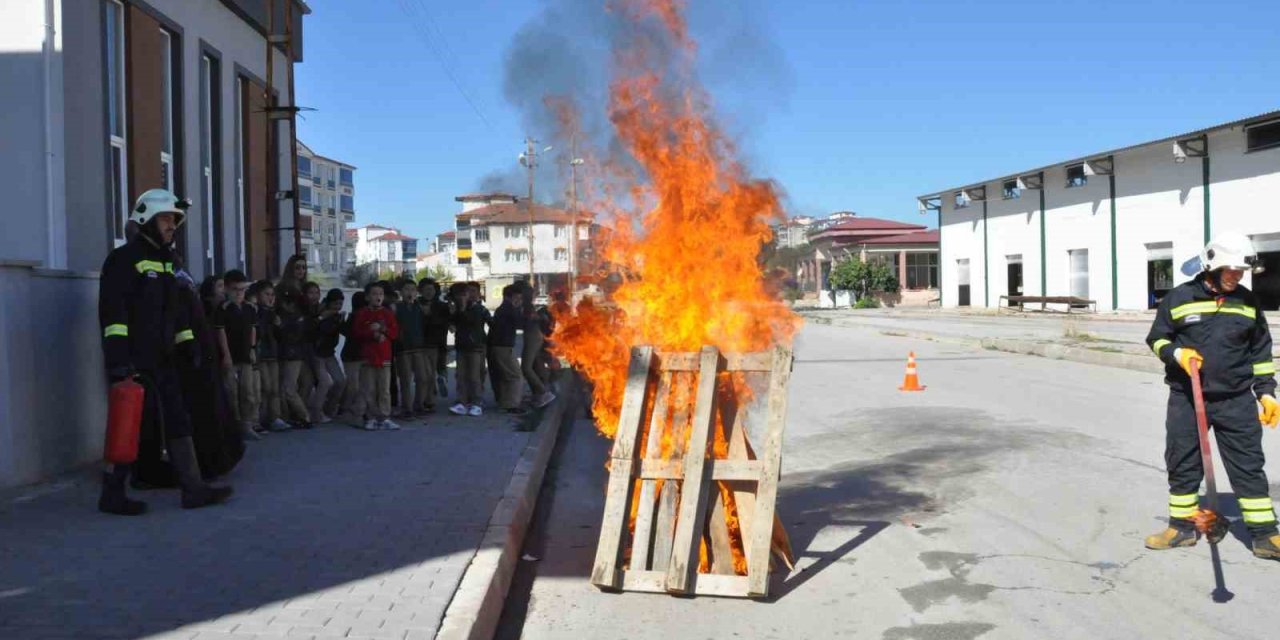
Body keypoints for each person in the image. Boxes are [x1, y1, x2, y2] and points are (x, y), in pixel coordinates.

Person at [1144, 231, 1280, 559]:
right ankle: (1182, 527)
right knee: (1183, 460)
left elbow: (1260, 352)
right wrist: (1177, 354)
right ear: (1211, 268)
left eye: (1241, 271)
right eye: (1230, 270)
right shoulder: (1179, 298)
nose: (1237, 276)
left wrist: (1267, 394)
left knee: (1248, 464)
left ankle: (1265, 535)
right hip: (1188, 398)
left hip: (1236, 399)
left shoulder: (1247, 302)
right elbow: (1157, 339)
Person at [97, 188, 232, 514]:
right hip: (133, 359)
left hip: (164, 357)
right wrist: (118, 360)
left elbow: (178, 311)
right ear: (146, 219)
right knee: (128, 421)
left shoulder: (168, 262)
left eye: (175, 220)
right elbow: (113, 315)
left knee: (177, 418)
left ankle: (193, 489)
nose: (173, 226)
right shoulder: (123, 259)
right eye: (166, 219)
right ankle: (112, 493)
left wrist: (187, 343)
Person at [176, 267, 245, 479]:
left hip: (207, 364)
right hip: (199, 366)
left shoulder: (213, 309)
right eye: (220, 287)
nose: (223, 291)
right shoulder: (197, 306)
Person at [214, 269, 260, 441]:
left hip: (245, 356)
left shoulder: (250, 308)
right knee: (231, 392)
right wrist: (226, 355)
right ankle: (234, 425)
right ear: (227, 289)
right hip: (231, 356)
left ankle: (247, 424)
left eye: (242, 289)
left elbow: (253, 329)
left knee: (248, 391)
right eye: (235, 289)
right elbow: (221, 333)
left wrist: (253, 348)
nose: (239, 293)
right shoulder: (223, 309)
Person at [353, 281, 400, 430]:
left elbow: (395, 333)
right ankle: (371, 417)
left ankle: (385, 417)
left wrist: (383, 330)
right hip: (368, 357)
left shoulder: (388, 314)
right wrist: (371, 333)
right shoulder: (362, 313)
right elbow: (356, 333)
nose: (378, 297)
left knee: (384, 389)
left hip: (384, 357)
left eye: (380, 294)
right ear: (367, 297)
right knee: (369, 389)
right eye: (374, 294)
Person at [253, 280, 289, 432]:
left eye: (272, 295)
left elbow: (281, 336)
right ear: (258, 295)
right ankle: (260, 418)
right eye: (266, 294)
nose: (270, 298)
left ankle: (275, 417)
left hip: (273, 353)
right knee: (265, 387)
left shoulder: (273, 312)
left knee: (274, 388)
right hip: (261, 354)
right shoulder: (256, 311)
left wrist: (278, 325)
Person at [275, 284, 313, 429]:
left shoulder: (295, 317)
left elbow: (291, 337)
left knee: (288, 389)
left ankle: (304, 416)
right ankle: (289, 416)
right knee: (285, 388)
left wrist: (280, 326)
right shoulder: (294, 316)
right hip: (289, 354)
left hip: (292, 355)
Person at [450, 282, 489, 417]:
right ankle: (461, 402)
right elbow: (454, 323)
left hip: (475, 347)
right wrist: (456, 310)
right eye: (463, 294)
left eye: (468, 293)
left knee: (474, 376)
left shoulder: (478, 309)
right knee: (460, 375)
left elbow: (471, 321)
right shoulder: (458, 308)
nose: (466, 296)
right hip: (461, 346)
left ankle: (477, 403)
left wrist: (462, 309)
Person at [489, 285, 528, 415]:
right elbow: (520, 323)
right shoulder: (507, 309)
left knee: (507, 376)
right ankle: (511, 405)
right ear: (508, 297)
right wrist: (520, 310)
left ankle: (505, 403)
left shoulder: (503, 309)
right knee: (515, 376)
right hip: (503, 347)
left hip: (501, 346)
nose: (519, 300)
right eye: (517, 298)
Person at [516, 282, 557, 408]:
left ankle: (543, 393)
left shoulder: (527, 306)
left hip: (533, 337)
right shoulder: (528, 306)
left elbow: (528, 320)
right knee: (535, 365)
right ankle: (539, 393)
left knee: (526, 368)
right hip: (535, 336)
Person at [394, 280, 430, 418]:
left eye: (413, 290)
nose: (410, 292)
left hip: (419, 347)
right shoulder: (396, 308)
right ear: (401, 292)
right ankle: (407, 409)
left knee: (423, 378)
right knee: (405, 380)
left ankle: (419, 405)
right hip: (403, 348)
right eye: (407, 289)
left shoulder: (419, 307)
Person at [419, 279, 452, 413]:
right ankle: (430, 400)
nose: (429, 292)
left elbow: (447, 322)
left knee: (435, 369)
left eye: (431, 289)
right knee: (429, 373)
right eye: (426, 289)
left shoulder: (442, 306)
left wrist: (429, 316)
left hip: (438, 342)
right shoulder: (417, 304)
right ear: (421, 291)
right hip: (425, 344)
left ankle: (440, 382)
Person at [314, 289, 347, 420]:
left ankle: (329, 408)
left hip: (329, 353)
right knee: (324, 383)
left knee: (340, 381)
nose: (337, 307)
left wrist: (341, 321)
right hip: (317, 353)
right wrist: (327, 318)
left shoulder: (336, 316)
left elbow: (343, 331)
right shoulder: (322, 314)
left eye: (340, 304)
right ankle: (316, 413)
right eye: (335, 304)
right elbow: (323, 330)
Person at [338, 291, 368, 426]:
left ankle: (350, 409)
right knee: (355, 386)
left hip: (354, 354)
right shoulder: (359, 316)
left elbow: (345, 331)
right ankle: (348, 409)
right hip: (354, 355)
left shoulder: (354, 316)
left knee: (355, 385)